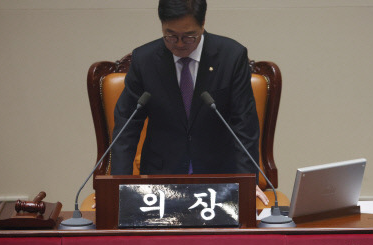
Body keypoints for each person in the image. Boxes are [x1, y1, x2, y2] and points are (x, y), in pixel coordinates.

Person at [111, 0, 269, 205]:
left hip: (221, 177)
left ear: (202, 23)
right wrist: (119, 184)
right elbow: (127, 125)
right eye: (170, 35)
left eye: (188, 36)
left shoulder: (231, 56)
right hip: (161, 180)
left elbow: (244, 124)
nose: (178, 43)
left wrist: (247, 181)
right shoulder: (145, 60)